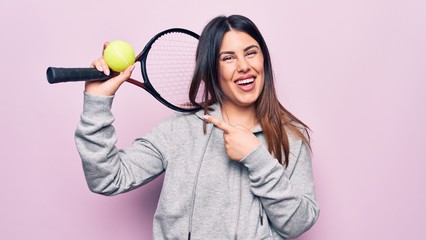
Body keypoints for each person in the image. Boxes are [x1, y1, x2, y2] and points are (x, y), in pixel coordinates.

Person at [75, 15, 320, 240]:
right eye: (228, 57)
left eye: (251, 52)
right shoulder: (178, 130)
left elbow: (297, 223)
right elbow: (107, 178)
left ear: (263, 59)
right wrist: (97, 102)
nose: (244, 66)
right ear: (212, 69)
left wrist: (257, 157)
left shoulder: (291, 136)